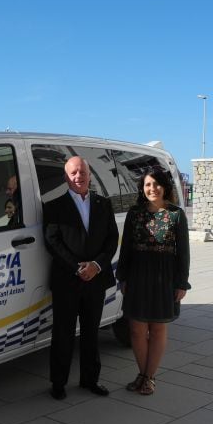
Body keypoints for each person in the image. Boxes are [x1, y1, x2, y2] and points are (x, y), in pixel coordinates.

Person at [43, 156, 118, 400]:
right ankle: (58, 383)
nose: (79, 176)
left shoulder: (103, 204)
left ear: (89, 174)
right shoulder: (53, 206)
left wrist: (96, 266)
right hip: (67, 280)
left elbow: (111, 240)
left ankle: (90, 380)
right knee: (63, 334)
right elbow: (52, 241)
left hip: (95, 280)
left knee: (91, 333)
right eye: (73, 173)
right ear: (66, 178)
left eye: (82, 171)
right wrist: (78, 268)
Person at [116, 168, 191, 396]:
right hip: (138, 276)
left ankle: (149, 377)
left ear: (165, 187)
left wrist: (181, 282)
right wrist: (123, 277)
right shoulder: (134, 213)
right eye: (148, 184)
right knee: (137, 330)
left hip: (165, 278)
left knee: (158, 328)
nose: (152, 189)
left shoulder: (177, 214)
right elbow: (126, 248)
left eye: (157, 184)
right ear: (142, 188)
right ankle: (142, 373)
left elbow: (183, 253)